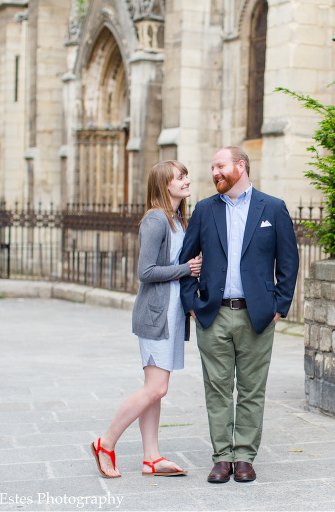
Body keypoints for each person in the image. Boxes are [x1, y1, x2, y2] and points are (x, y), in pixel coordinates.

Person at [179, 146, 299, 483]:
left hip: (256, 316)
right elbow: (187, 261)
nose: (214, 172)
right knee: (216, 389)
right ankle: (222, 457)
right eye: (212, 168)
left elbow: (288, 261)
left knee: (251, 389)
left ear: (240, 166)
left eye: (220, 166)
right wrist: (191, 302)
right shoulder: (204, 210)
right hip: (213, 315)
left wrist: (279, 306)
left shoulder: (272, 208)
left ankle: (244, 456)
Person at [90, 160, 202, 478]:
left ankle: (151, 457)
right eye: (179, 177)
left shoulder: (178, 220)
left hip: (171, 316)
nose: (186, 180)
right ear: (164, 184)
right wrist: (187, 269)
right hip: (155, 317)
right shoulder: (156, 220)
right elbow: (146, 272)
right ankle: (105, 442)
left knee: (154, 389)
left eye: (185, 175)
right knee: (156, 389)